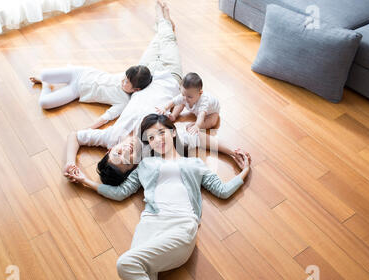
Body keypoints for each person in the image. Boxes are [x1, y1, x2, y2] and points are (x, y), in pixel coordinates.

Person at [66, 114, 251, 280]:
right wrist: (86, 181)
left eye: (161, 133)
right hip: (149, 225)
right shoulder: (145, 164)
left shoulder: (195, 164)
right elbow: (121, 192)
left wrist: (244, 172)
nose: (157, 140)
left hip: (181, 226)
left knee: (126, 264)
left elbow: (223, 190)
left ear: (172, 132)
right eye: (151, 138)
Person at [63, 1, 247, 185]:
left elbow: (75, 136)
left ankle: (165, 23)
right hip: (170, 76)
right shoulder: (152, 145)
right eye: (129, 158)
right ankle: (164, 19)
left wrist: (70, 163)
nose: (127, 150)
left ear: (109, 151)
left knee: (158, 40)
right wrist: (232, 152)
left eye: (119, 152)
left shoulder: (109, 138)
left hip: (145, 76)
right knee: (167, 39)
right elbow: (197, 138)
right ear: (134, 165)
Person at [30, 57, 152, 129]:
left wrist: (89, 129)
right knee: (44, 74)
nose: (122, 80)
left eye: (126, 82)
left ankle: (45, 84)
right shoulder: (128, 76)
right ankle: (45, 78)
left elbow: (106, 117)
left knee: (44, 103)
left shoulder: (123, 101)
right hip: (80, 73)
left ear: (136, 90)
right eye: (124, 77)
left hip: (76, 90)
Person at [156, 72, 220, 135]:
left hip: (211, 112)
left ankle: (197, 125)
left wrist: (197, 125)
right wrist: (164, 108)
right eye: (183, 94)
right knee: (180, 102)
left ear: (200, 93)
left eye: (189, 97)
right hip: (196, 109)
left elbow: (201, 115)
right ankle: (173, 115)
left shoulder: (204, 102)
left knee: (212, 122)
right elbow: (173, 101)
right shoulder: (185, 96)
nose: (185, 98)